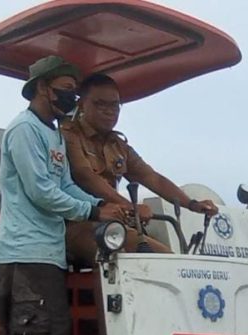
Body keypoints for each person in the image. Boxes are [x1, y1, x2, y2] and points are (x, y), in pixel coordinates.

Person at [0, 56, 129, 335]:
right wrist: (92, 211)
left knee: (35, 332)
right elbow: (41, 192)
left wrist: (105, 206)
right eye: (66, 90)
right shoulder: (23, 130)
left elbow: (65, 184)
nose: (70, 97)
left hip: (46, 248)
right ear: (41, 87)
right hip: (25, 248)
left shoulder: (52, 133)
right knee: (43, 332)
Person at [62, 72, 218, 265]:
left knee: (170, 260)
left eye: (114, 105)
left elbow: (151, 177)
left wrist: (192, 203)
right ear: (82, 104)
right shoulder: (68, 135)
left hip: (113, 224)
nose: (109, 111)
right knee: (135, 262)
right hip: (77, 223)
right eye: (100, 104)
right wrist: (130, 206)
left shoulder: (118, 145)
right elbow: (85, 176)